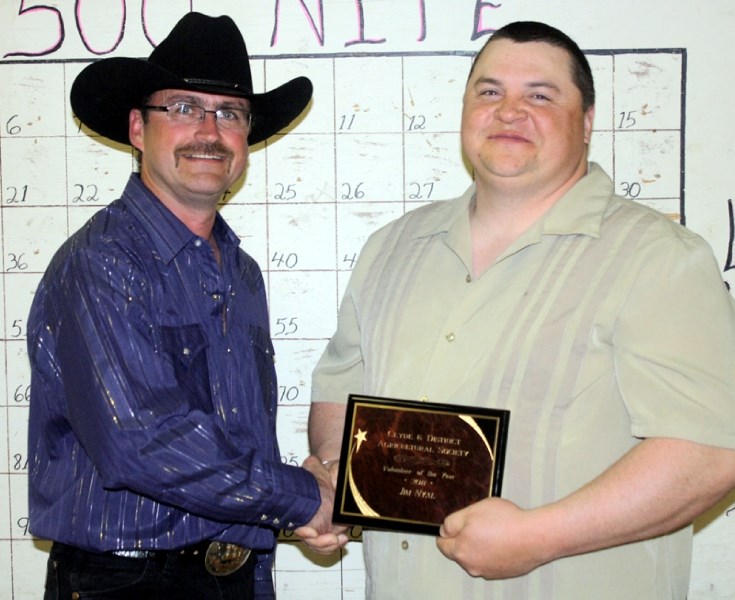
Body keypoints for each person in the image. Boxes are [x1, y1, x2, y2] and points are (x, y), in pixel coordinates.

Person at [300, 20, 735, 599]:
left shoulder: (657, 258)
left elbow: (710, 453)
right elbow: (342, 386)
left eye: (539, 94)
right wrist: (335, 479)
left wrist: (539, 536)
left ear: (586, 124)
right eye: (489, 91)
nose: (509, 111)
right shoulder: (392, 248)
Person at [27, 12, 344, 600]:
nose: (208, 129)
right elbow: (140, 440)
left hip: (238, 574)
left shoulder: (242, 273)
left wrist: (303, 506)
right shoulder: (102, 263)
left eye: (229, 113)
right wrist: (303, 497)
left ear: (246, 136)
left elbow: (231, 442)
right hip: (127, 582)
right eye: (182, 107)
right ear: (138, 129)